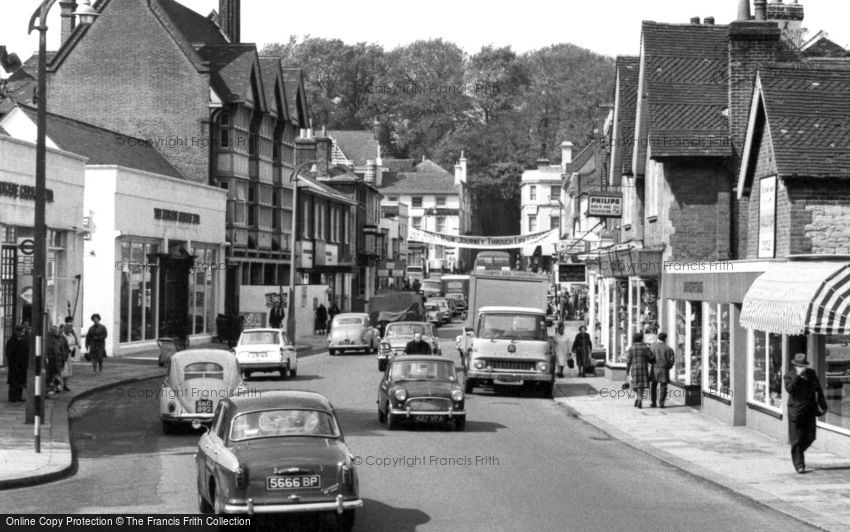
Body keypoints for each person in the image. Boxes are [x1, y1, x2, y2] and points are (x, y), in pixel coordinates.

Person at [784, 353, 828, 474]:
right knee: (796, 439)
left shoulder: (811, 374)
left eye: (802, 366)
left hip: (809, 410)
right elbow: (790, 389)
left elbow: (818, 389)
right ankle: (799, 464)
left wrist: (823, 406)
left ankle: (798, 453)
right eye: (798, 366)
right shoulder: (789, 375)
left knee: (810, 437)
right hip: (796, 411)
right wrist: (798, 376)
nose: (801, 368)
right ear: (795, 366)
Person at [625, 331, 655, 409]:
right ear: (641, 339)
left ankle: (636, 398)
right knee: (641, 386)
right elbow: (651, 357)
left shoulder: (632, 348)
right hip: (643, 368)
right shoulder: (645, 347)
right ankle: (640, 399)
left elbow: (628, 361)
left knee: (635, 384)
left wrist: (627, 370)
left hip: (634, 368)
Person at [649, 332, 675, 408]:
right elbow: (672, 360)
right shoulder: (669, 349)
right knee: (663, 386)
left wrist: (652, 363)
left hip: (655, 368)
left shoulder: (652, 347)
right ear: (665, 339)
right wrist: (668, 367)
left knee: (653, 386)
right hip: (664, 369)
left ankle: (653, 402)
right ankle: (661, 403)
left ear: (658, 338)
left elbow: (649, 357)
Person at [5, 325, 29, 402]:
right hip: (14, 365)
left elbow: (26, 351)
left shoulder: (24, 341)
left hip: (22, 365)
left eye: (22, 332)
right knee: (13, 382)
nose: (21, 333)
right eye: (20, 331)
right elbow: (9, 352)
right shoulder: (11, 341)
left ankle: (19, 396)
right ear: (16, 332)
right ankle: (12, 397)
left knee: (21, 381)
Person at [44, 325, 68, 395]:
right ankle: (50, 388)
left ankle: (57, 386)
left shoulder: (61, 338)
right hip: (49, 359)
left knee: (57, 373)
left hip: (58, 359)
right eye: (52, 330)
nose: (53, 331)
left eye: (54, 330)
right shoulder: (47, 338)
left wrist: (64, 357)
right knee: (50, 374)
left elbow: (65, 348)